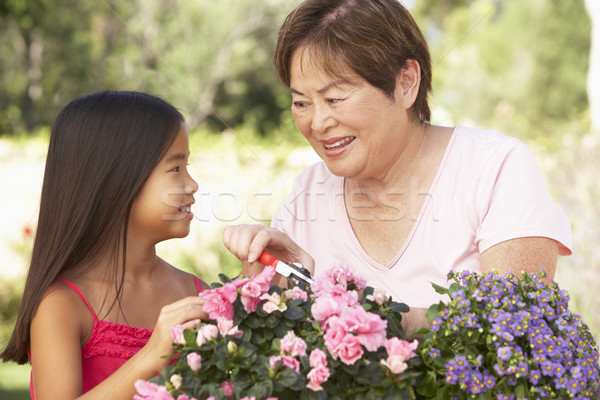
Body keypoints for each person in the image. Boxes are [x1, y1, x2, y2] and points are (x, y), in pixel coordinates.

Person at [223, 0, 572, 335]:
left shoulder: (496, 168)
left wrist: (376, 318)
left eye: (334, 98)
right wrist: (266, 289)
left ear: (406, 82)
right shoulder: (304, 197)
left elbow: (515, 327)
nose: (317, 122)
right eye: (301, 102)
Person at [1, 91, 209, 399]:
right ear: (118, 180)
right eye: (175, 168)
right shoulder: (61, 304)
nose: (192, 184)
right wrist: (150, 358)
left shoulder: (195, 291)